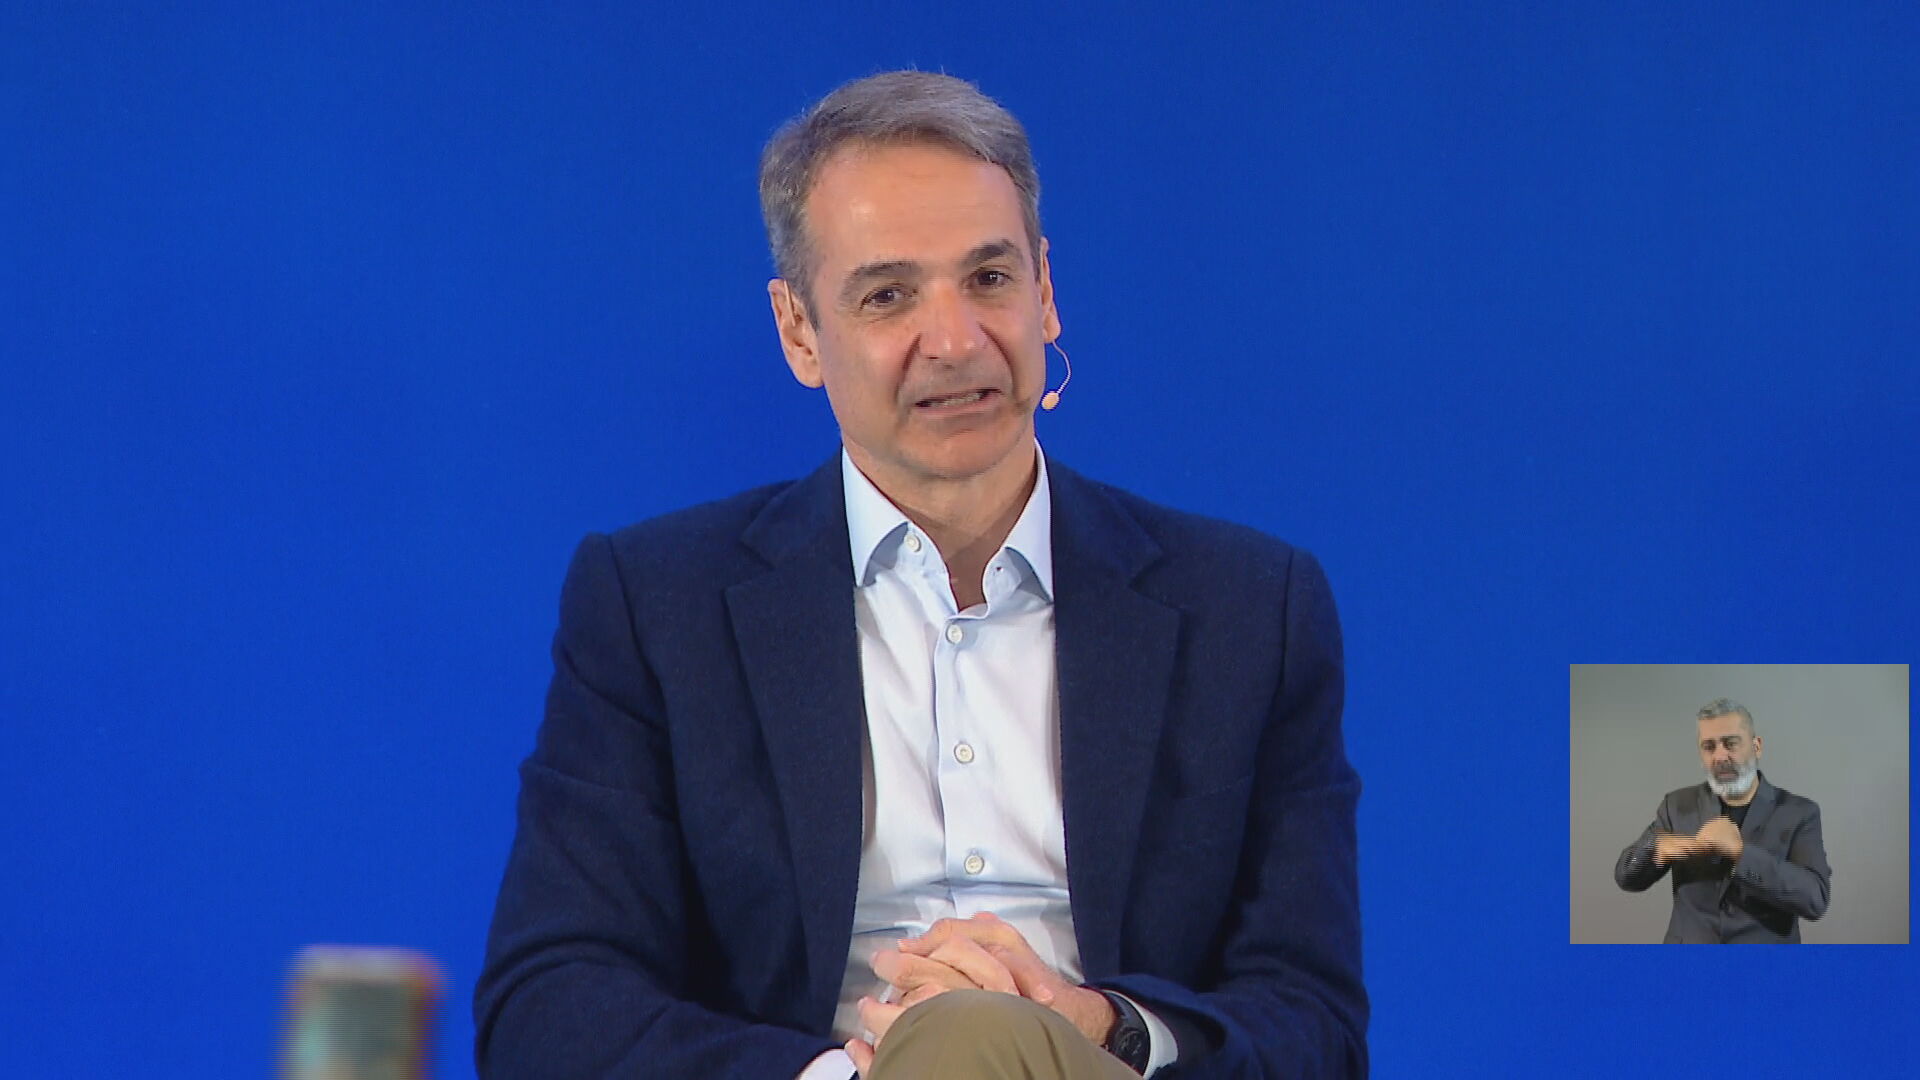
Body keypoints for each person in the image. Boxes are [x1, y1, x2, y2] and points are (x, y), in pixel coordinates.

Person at [474, 70, 1366, 1078]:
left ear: (1046, 293)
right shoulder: (654, 608)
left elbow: (1314, 1027)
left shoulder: (1248, 610)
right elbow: (549, 1008)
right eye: (888, 296)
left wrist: (1101, 1026)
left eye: (989, 279)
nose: (954, 340)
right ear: (799, 331)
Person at [1613, 698, 1831, 943]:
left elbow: (1815, 899)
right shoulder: (1677, 805)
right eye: (1709, 746)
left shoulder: (1799, 812)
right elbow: (1626, 878)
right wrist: (1654, 848)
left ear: (1757, 746)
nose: (1719, 756)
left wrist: (1740, 853)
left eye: (1730, 743)